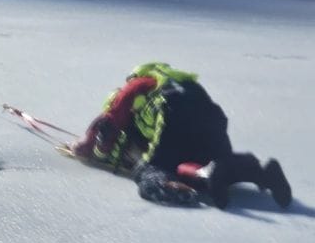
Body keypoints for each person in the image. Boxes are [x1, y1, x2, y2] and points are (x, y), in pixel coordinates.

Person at [68, 62, 292, 209]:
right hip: (210, 116)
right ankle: (259, 172)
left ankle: (171, 189)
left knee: (149, 171)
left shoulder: (139, 85)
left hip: (172, 112)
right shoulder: (178, 80)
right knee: (212, 161)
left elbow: (109, 123)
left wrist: (90, 148)